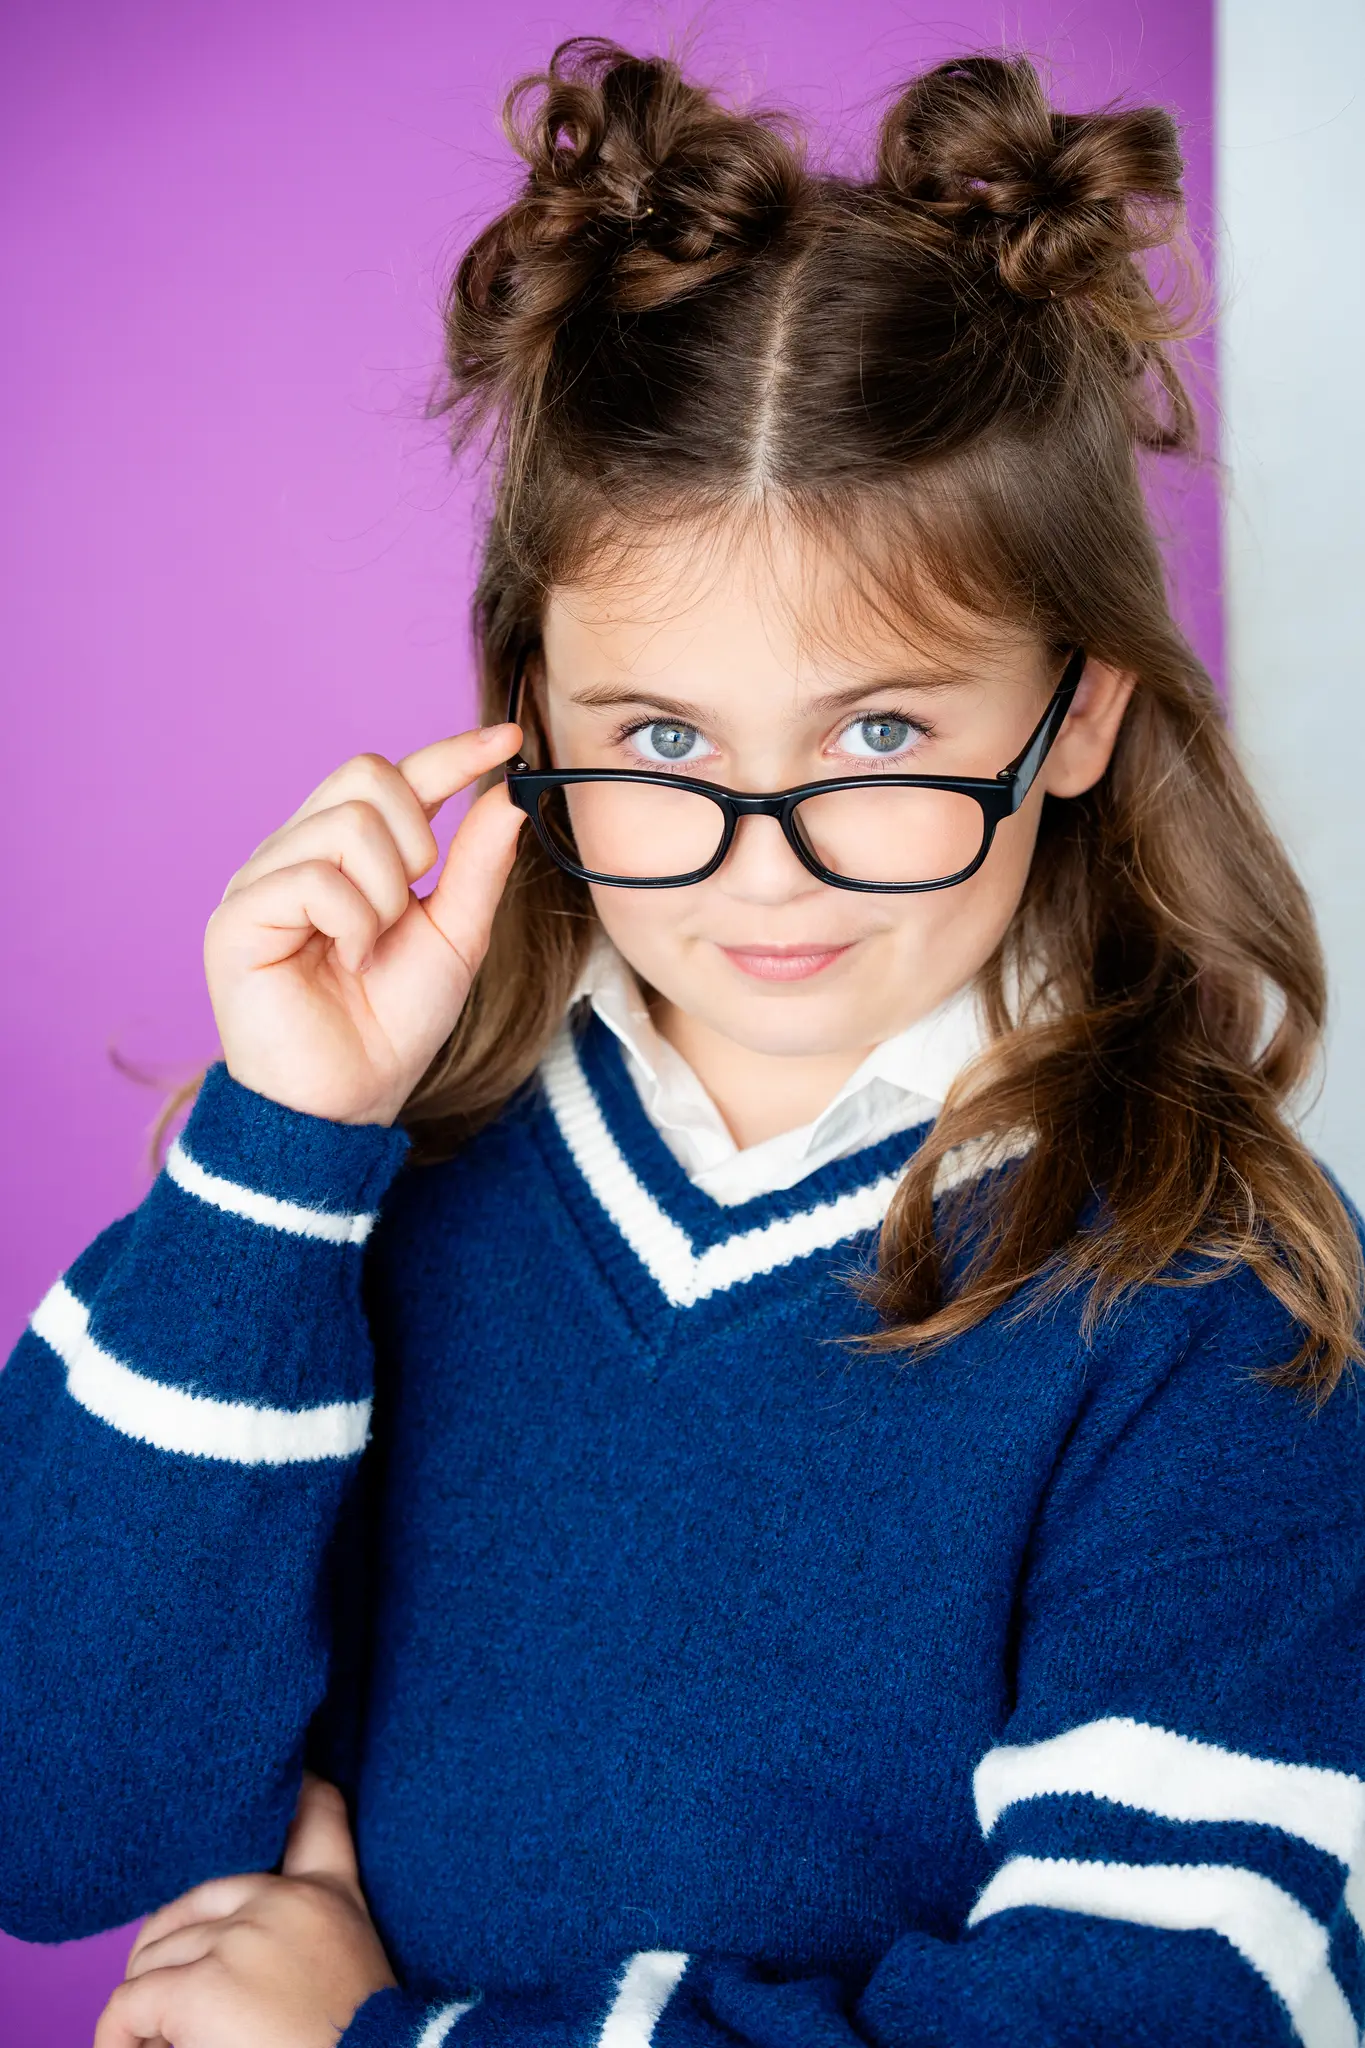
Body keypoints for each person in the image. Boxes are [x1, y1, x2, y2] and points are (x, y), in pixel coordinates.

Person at [1, 37, 1362, 2048]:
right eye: (659, 745)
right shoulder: (353, 1185)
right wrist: (281, 1152)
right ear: (525, 715)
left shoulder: (1202, 1292)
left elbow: (1160, 2010)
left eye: (881, 736)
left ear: (1074, 717)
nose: (765, 871)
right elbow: (57, 1820)